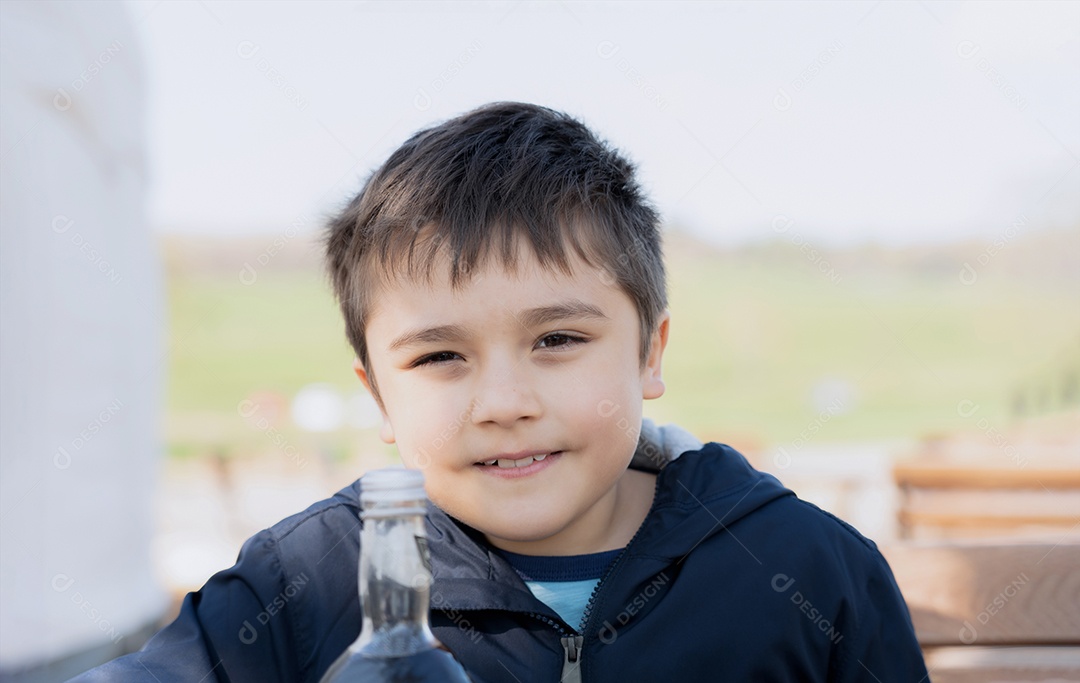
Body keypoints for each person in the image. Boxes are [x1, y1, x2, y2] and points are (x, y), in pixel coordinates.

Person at [71, 102, 928, 682]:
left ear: (649, 353)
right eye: (441, 357)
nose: (503, 400)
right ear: (379, 398)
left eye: (557, 340)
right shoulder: (304, 583)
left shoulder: (810, 572)